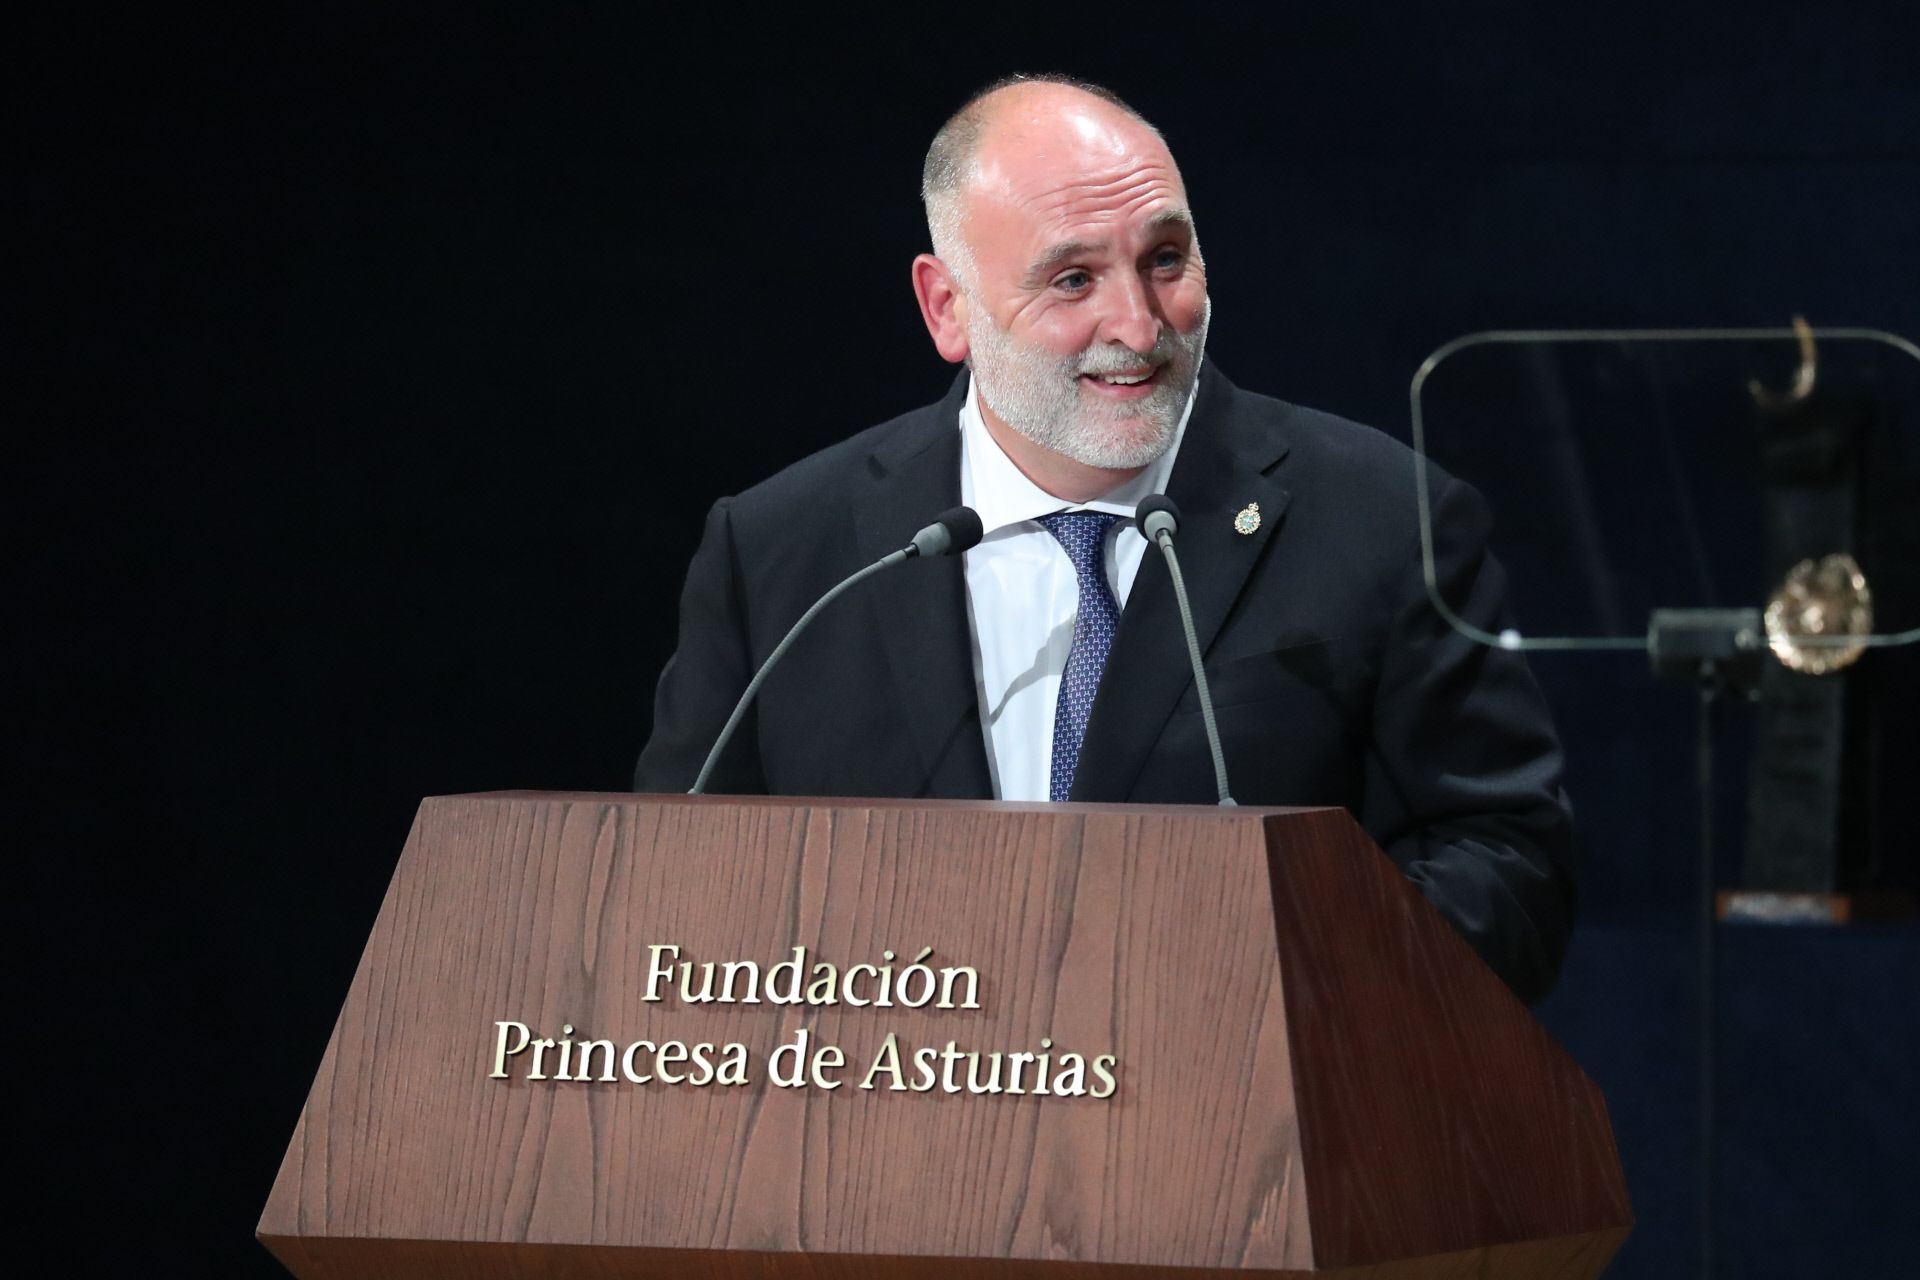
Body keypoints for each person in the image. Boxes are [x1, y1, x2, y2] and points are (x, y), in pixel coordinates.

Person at [635, 74, 1575, 1004]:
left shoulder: (1383, 518)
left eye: (1166, 259)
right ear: (947, 307)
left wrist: (1279, 994)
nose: (1137, 324)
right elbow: (672, 893)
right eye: (1073, 279)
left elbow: (1507, 864)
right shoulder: (782, 552)